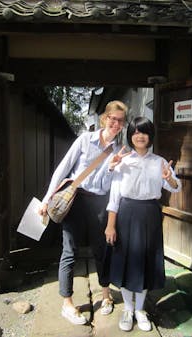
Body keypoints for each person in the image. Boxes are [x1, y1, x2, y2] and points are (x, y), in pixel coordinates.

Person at [38, 100, 128, 325]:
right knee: (69, 250)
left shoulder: (118, 150)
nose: (116, 124)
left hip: (99, 202)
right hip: (76, 200)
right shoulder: (84, 140)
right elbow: (63, 168)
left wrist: (110, 167)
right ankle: (67, 303)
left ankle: (106, 296)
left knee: (102, 250)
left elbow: (109, 186)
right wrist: (47, 198)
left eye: (120, 121)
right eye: (112, 118)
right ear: (105, 118)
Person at [105, 116, 181, 332]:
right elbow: (114, 197)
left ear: (150, 136)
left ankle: (140, 309)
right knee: (127, 262)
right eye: (136, 132)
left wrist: (169, 178)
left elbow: (176, 188)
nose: (139, 136)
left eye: (144, 132)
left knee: (146, 262)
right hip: (126, 214)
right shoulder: (123, 161)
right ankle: (128, 309)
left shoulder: (159, 161)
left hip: (150, 214)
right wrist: (111, 225)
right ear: (130, 135)